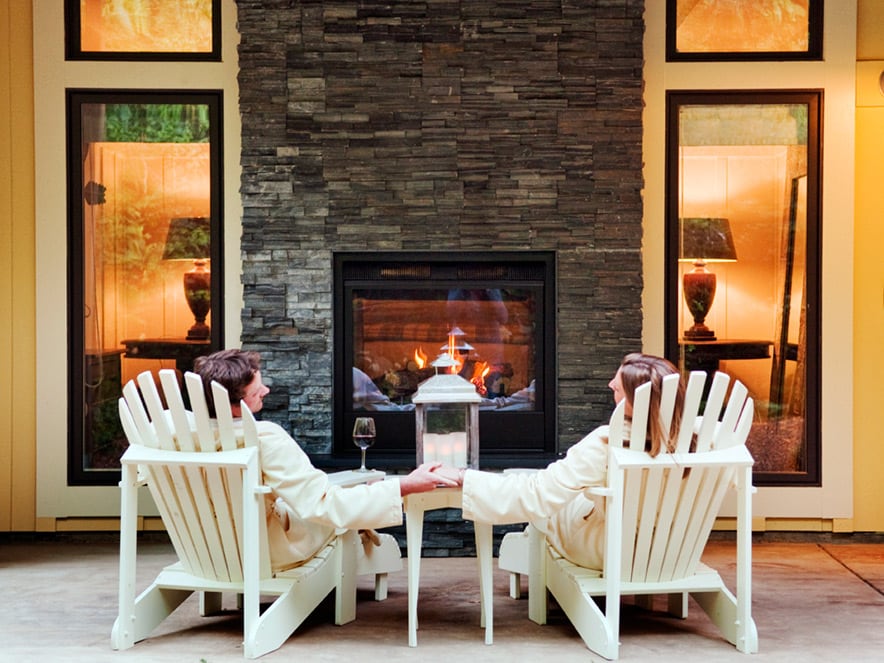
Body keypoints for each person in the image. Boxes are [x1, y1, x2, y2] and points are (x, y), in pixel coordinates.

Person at [193, 349, 456, 573]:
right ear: (234, 407)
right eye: (256, 390)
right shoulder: (265, 437)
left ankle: (364, 509)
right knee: (337, 515)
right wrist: (403, 486)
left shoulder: (181, 433)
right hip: (263, 550)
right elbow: (324, 506)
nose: (266, 390)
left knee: (331, 495)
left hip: (209, 549)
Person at [434, 353, 685, 571]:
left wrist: (465, 476)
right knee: (572, 494)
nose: (609, 385)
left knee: (548, 503)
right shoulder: (696, 441)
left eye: (617, 388)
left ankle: (525, 554)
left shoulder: (606, 444)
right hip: (669, 548)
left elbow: (537, 496)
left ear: (635, 401)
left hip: (610, 548)